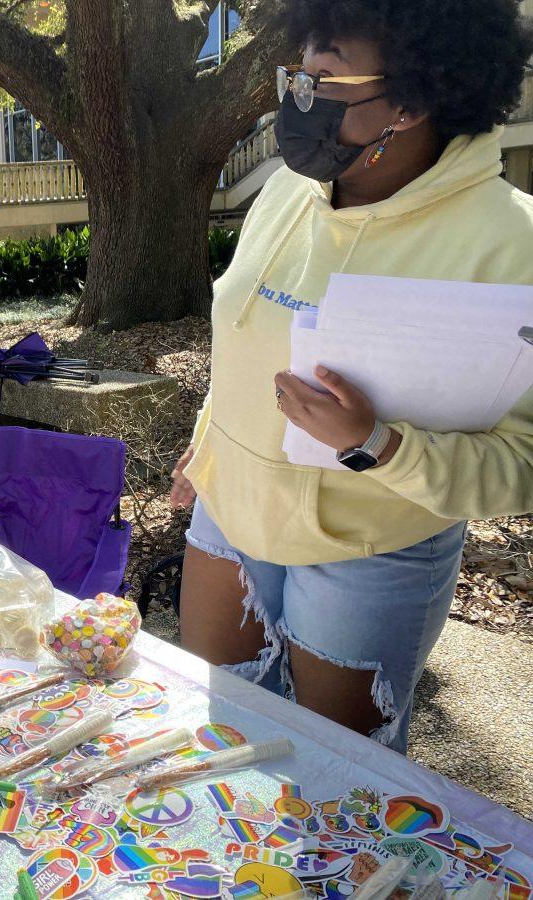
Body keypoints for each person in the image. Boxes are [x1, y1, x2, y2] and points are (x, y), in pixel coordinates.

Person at [172, 0, 533, 754]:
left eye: (325, 76)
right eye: (296, 74)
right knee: (218, 749)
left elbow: (522, 466)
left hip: (371, 548)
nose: (296, 99)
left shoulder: (512, 245)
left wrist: (377, 444)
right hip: (229, 512)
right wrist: (209, 443)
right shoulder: (284, 190)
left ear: (412, 97)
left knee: (340, 792)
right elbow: (244, 342)